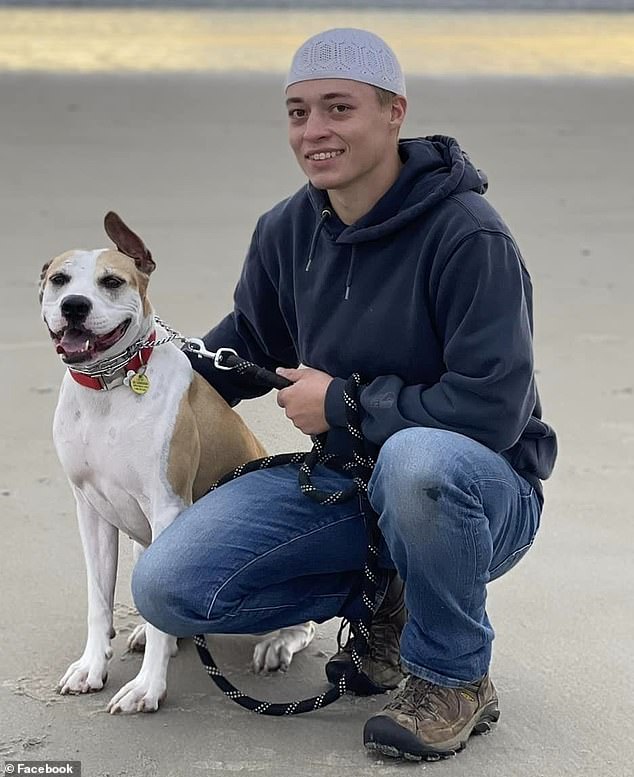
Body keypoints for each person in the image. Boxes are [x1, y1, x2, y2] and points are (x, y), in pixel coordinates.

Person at [132, 28, 557, 760]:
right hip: (346, 485)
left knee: (416, 460)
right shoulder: (286, 229)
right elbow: (240, 353)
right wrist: (129, 360)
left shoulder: (469, 236)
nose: (314, 131)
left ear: (394, 111)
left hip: (481, 493)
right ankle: (382, 600)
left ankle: (453, 677)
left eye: (338, 108)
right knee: (164, 586)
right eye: (298, 112)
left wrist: (345, 405)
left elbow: (493, 410)